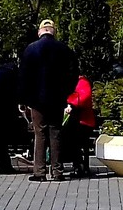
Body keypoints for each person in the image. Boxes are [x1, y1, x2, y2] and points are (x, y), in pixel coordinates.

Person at [18, 19, 78, 182]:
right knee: (56, 133)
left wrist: (24, 99)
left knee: (40, 133)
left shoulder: (31, 49)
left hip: (37, 100)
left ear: (40, 32)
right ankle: (57, 171)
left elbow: (23, 76)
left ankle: (39, 171)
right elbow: (73, 74)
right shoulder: (64, 50)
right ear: (54, 31)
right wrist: (66, 93)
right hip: (57, 98)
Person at [62, 75, 98, 177]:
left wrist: (70, 103)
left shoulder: (82, 81)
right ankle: (76, 163)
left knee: (72, 137)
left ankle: (79, 165)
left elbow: (84, 97)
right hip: (74, 120)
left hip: (83, 121)